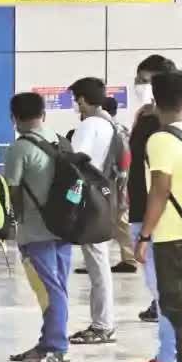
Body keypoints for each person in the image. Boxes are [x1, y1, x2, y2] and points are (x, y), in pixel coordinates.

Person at [135, 70, 182, 362]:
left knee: (178, 303)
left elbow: (160, 189)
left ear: (155, 102)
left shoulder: (161, 139)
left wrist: (144, 235)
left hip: (173, 233)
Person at [125, 55, 182, 362]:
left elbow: (161, 183)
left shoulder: (159, 127)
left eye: (145, 80)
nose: (140, 86)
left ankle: (169, 358)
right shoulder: (147, 119)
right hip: (149, 215)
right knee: (165, 292)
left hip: (158, 218)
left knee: (165, 293)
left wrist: (145, 232)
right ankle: (173, 355)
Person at [5, 92, 71, 362]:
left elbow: (13, 189)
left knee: (49, 289)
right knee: (58, 287)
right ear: (43, 114)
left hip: (36, 230)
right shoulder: (61, 141)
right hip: (65, 227)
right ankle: (49, 341)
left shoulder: (20, 147)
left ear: (15, 118)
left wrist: (15, 222)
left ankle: (56, 346)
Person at [64, 77, 118, 345]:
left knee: (97, 263)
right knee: (99, 261)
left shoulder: (89, 125)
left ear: (83, 99)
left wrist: (68, 199)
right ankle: (103, 323)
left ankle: (103, 325)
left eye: (76, 99)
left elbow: (77, 164)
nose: (76, 104)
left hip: (89, 198)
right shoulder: (109, 123)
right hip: (105, 195)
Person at [102, 95, 138, 273]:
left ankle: (130, 259)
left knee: (120, 219)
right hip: (116, 181)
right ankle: (128, 258)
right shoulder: (117, 128)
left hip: (116, 182)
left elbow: (124, 158)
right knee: (116, 220)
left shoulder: (115, 129)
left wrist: (122, 184)